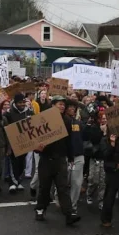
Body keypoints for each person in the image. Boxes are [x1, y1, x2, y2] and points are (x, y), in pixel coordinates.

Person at [34, 96, 81, 225]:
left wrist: (70, 157)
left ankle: (69, 214)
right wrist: (38, 148)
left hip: (60, 159)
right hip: (46, 159)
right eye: (59, 104)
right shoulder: (44, 119)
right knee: (44, 187)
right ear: (53, 105)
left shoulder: (67, 120)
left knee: (63, 187)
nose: (62, 107)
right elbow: (34, 139)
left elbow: (69, 141)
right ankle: (40, 209)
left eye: (63, 105)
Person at [6, 93, 32, 192]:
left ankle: (18, 180)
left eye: (23, 102)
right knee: (13, 163)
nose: (22, 104)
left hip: (25, 142)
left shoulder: (29, 112)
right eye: (20, 103)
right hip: (13, 142)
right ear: (15, 103)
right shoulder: (9, 113)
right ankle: (12, 183)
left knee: (22, 163)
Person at [65, 101, 86, 212]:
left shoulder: (79, 123)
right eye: (70, 107)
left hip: (78, 156)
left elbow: (86, 135)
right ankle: (58, 197)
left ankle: (72, 206)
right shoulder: (61, 122)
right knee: (63, 181)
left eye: (74, 107)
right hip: (65, 157)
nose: (72, 109)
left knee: (77, 183)